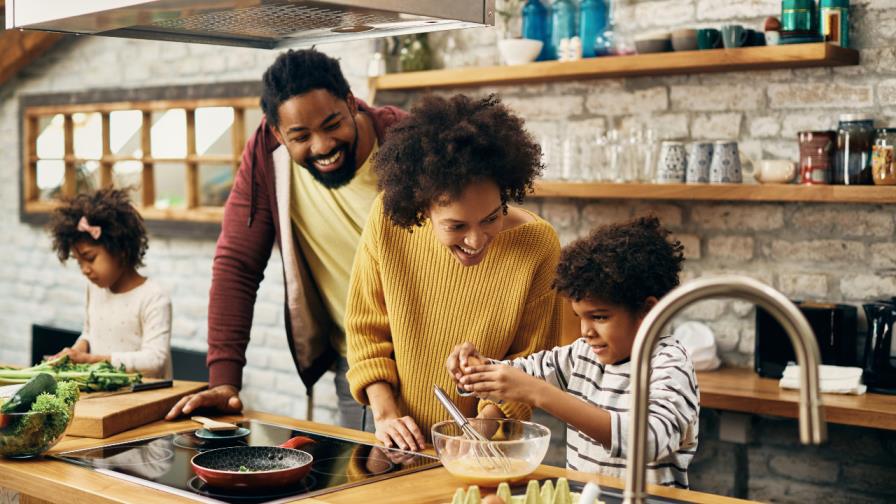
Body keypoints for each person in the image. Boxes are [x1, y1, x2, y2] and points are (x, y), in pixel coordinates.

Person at [165, 49, 407, 429]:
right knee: (372, 484)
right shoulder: (266, 156)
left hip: (437, 358)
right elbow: (237, 265)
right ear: (278, 133)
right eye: (301, 136)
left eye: (332, 125)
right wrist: (224, 380)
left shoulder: (404, 141)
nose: (323, 145)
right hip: (358, 368)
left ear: (350, 102)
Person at [346, 94, 562, 451]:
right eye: (456, 225)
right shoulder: (388, 219)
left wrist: (482, 426)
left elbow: (529, 363)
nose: (476, 240)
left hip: (489, 444)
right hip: (397, 438)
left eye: (492, 217)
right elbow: (365, 331)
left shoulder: (538, 246)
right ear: (422, 208)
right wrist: (386, 415)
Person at [448, 216, 699, 488]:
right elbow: (519, 376)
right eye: (580, 317)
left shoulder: (670, 365)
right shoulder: (582, 355)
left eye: (600, 317)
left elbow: (649, 440)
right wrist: (474, 368)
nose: (585, 331)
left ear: (648, 311)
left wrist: (539, 393)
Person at [48, 188, 172, 379]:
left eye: (90, 258)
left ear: (121, 250)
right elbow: (90, 334)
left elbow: (154, 361)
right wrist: (75, 352)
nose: (84, 269)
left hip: (145, 398)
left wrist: (91, 360)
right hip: (107, 393)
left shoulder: (153, 297)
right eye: (79, 261)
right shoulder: (95, 288)